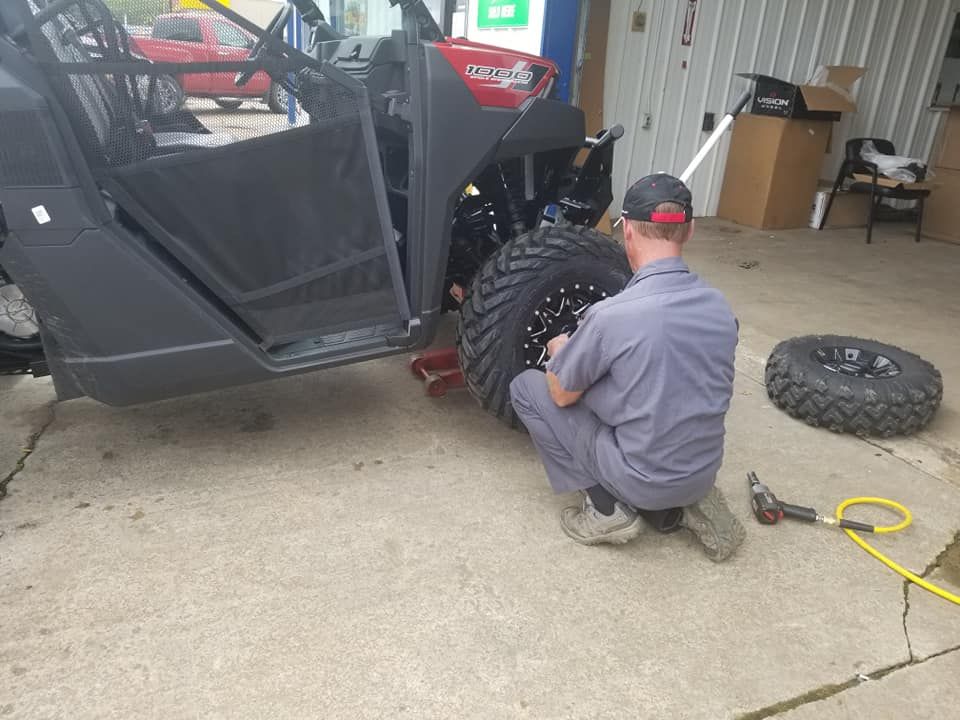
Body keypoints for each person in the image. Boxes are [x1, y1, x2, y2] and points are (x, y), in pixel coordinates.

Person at [509, 173, 745, 561]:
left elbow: (560, 393)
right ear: (690, 232)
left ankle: (607, 509)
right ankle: (687, 501)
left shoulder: (611, 317)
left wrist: (562, 352)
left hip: (641, 477)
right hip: (704, 470)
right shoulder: (719, 306)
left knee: (530, 388)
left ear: (628, 230)